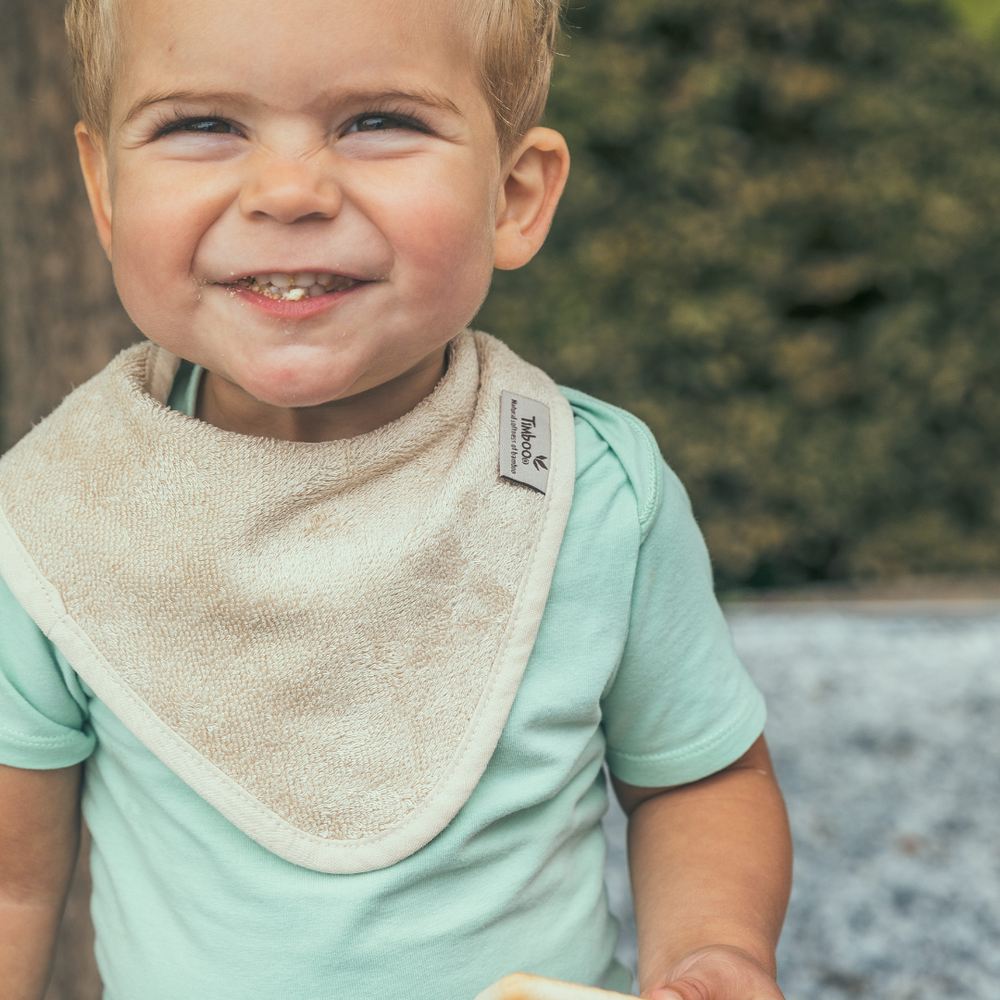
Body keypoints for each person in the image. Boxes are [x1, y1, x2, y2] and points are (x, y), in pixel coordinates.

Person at [0, 0, 792, 997]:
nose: (288, 189)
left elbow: (702, 777)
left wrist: (709, 948)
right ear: (105, 189)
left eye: (379, 121)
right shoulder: (52, 524)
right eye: (200, 124)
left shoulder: (586, 492)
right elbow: (11, 887)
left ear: (512, 195)